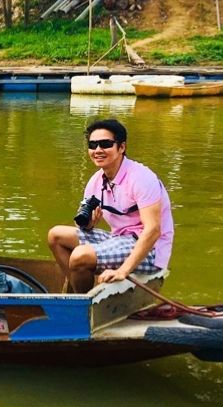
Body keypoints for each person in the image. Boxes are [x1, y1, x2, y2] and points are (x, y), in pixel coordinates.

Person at [47, 118, 175, 293]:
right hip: (119, 239)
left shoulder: (141, 178)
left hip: (150, 250)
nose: (98, 150)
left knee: (80, 255)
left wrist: (123, 271)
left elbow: (153, 230)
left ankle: (84, 303)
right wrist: (89, 224)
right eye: (92, 145)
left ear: (121, 147)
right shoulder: (96, 180)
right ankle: (78, 292)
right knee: (56, 235)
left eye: (105, 144)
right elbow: (81, 222)